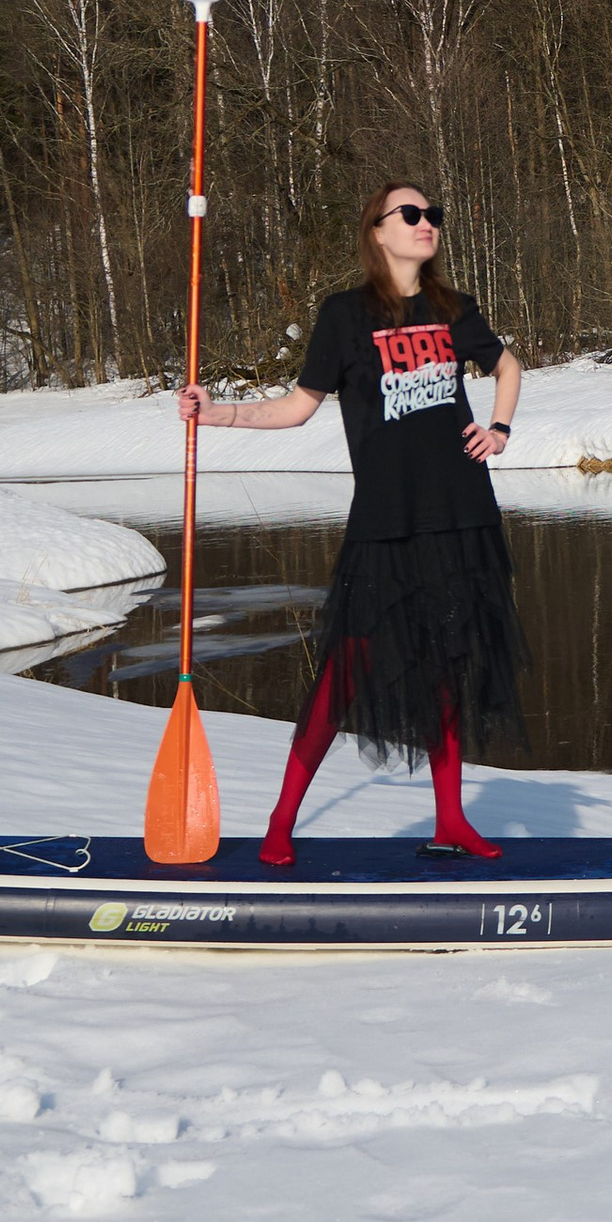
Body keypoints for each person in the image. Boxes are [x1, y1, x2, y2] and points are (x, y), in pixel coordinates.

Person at [177, 182, 528, 865]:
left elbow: (507, 365)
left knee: (448, 667)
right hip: (386, 521)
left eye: (433, 215)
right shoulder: (344, 315)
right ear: (377, 231)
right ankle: (281, 821)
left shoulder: (453, 309)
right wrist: (217, 413)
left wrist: (501, 428)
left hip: (460, 513)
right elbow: (298, 406)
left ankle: (451, 819)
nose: (426, 224)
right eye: (411, 214)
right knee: (343, 672)